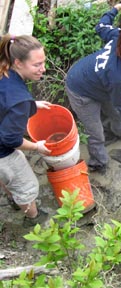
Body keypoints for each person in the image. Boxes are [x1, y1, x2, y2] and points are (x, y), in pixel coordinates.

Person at [65, 3, 121, 175]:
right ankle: (98, 162)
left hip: (98, 80)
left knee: (118, 115)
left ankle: (120, 132)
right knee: (96, 133)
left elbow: (101, 25)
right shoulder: (118, 76)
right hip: (80, 89)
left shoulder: (117, 35)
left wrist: (115, 9)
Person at [0, 34, 52, 227]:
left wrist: (33, 104)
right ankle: (32, 217)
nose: (43, 69)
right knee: (26, 185)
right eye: (37, 64)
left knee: (6, 177)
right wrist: (37, 146)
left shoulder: (3, 69)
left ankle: (13, 198)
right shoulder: (19, 100)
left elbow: (5, 102)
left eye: (43, 62)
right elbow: (11, 140)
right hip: (2, 153)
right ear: (18, 63)